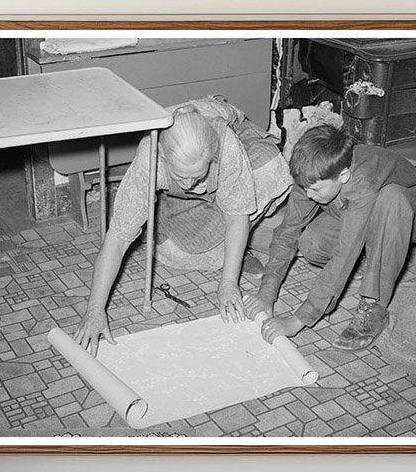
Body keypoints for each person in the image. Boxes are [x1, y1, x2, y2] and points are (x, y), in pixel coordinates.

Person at [76, 97, 291, 355]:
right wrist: (94, 310)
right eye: (182, 177)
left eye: (198, 176)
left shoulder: (227, 146)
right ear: (164, 159)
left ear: (211, 156)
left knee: (272, 169)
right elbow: (118, 238)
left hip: (242, 153)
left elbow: (236, 216)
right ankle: (240, 238)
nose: (190, 185)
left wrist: (228, 283)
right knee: (182, 254)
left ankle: (244, 239)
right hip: (181, 200)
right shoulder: (149, 160)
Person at [244, 123, 416, 352]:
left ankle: (374, 306)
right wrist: (267, 291)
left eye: (316, 190)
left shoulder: (362, 184)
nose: (308, 195)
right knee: (311, 242)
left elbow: (343, 256)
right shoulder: (313, 174)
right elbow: (287, 231)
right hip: (364, 210)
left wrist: (298, 320)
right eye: (305, 188)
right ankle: (370, 260)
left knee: (391, 197)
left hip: (414, 211)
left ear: (344, 176)